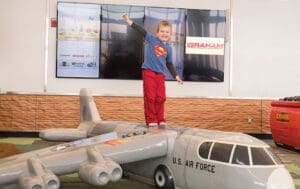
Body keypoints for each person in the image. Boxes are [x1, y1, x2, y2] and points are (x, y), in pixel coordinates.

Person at [123, 13, 183, 128]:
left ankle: (160, 118)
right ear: (157, 33)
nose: (164, 34)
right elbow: (141, 30)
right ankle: (152, 119)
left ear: (170, 35)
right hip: (149, 72)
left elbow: (169, 63)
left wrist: (176, 76)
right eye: (162, 31)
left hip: (160, 74)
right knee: (150, 97)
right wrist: (128, 21)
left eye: (167, 32)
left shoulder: (169, 49)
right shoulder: (152, 39)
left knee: (161, 97)